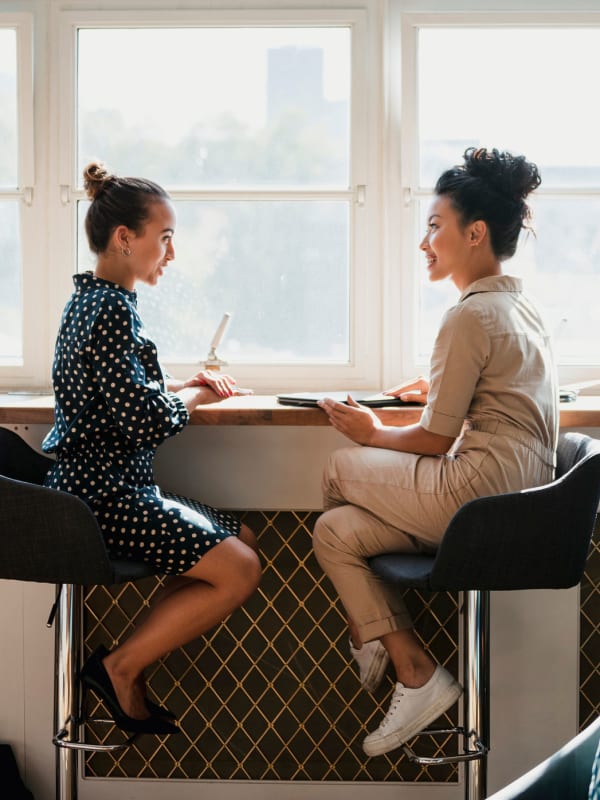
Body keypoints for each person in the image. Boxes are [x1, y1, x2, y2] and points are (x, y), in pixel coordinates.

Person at [313, 147, 558, 757]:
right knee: (335, 531)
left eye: (433, 226)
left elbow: (432, 440)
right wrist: (444, 387)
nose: (425, 241)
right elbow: (504, 388)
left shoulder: (468, 316)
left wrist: (369, 432)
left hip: (479, 497)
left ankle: (366, 631)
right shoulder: (519, 306)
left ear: (474, 233)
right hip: (521, 496)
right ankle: (413, 669)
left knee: (339, 466)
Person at [42, 162, 261, 735]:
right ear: (124, 238)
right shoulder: (112, 308)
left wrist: (183, 388)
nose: (170, 253)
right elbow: (142, 420)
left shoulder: (90, 301)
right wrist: (194, 393)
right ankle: (121, 666)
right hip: (102, 498)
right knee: (240, 570)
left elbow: (122, 396)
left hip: (93, 488)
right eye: (164, 238)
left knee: (239, 539)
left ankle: (127, 661)